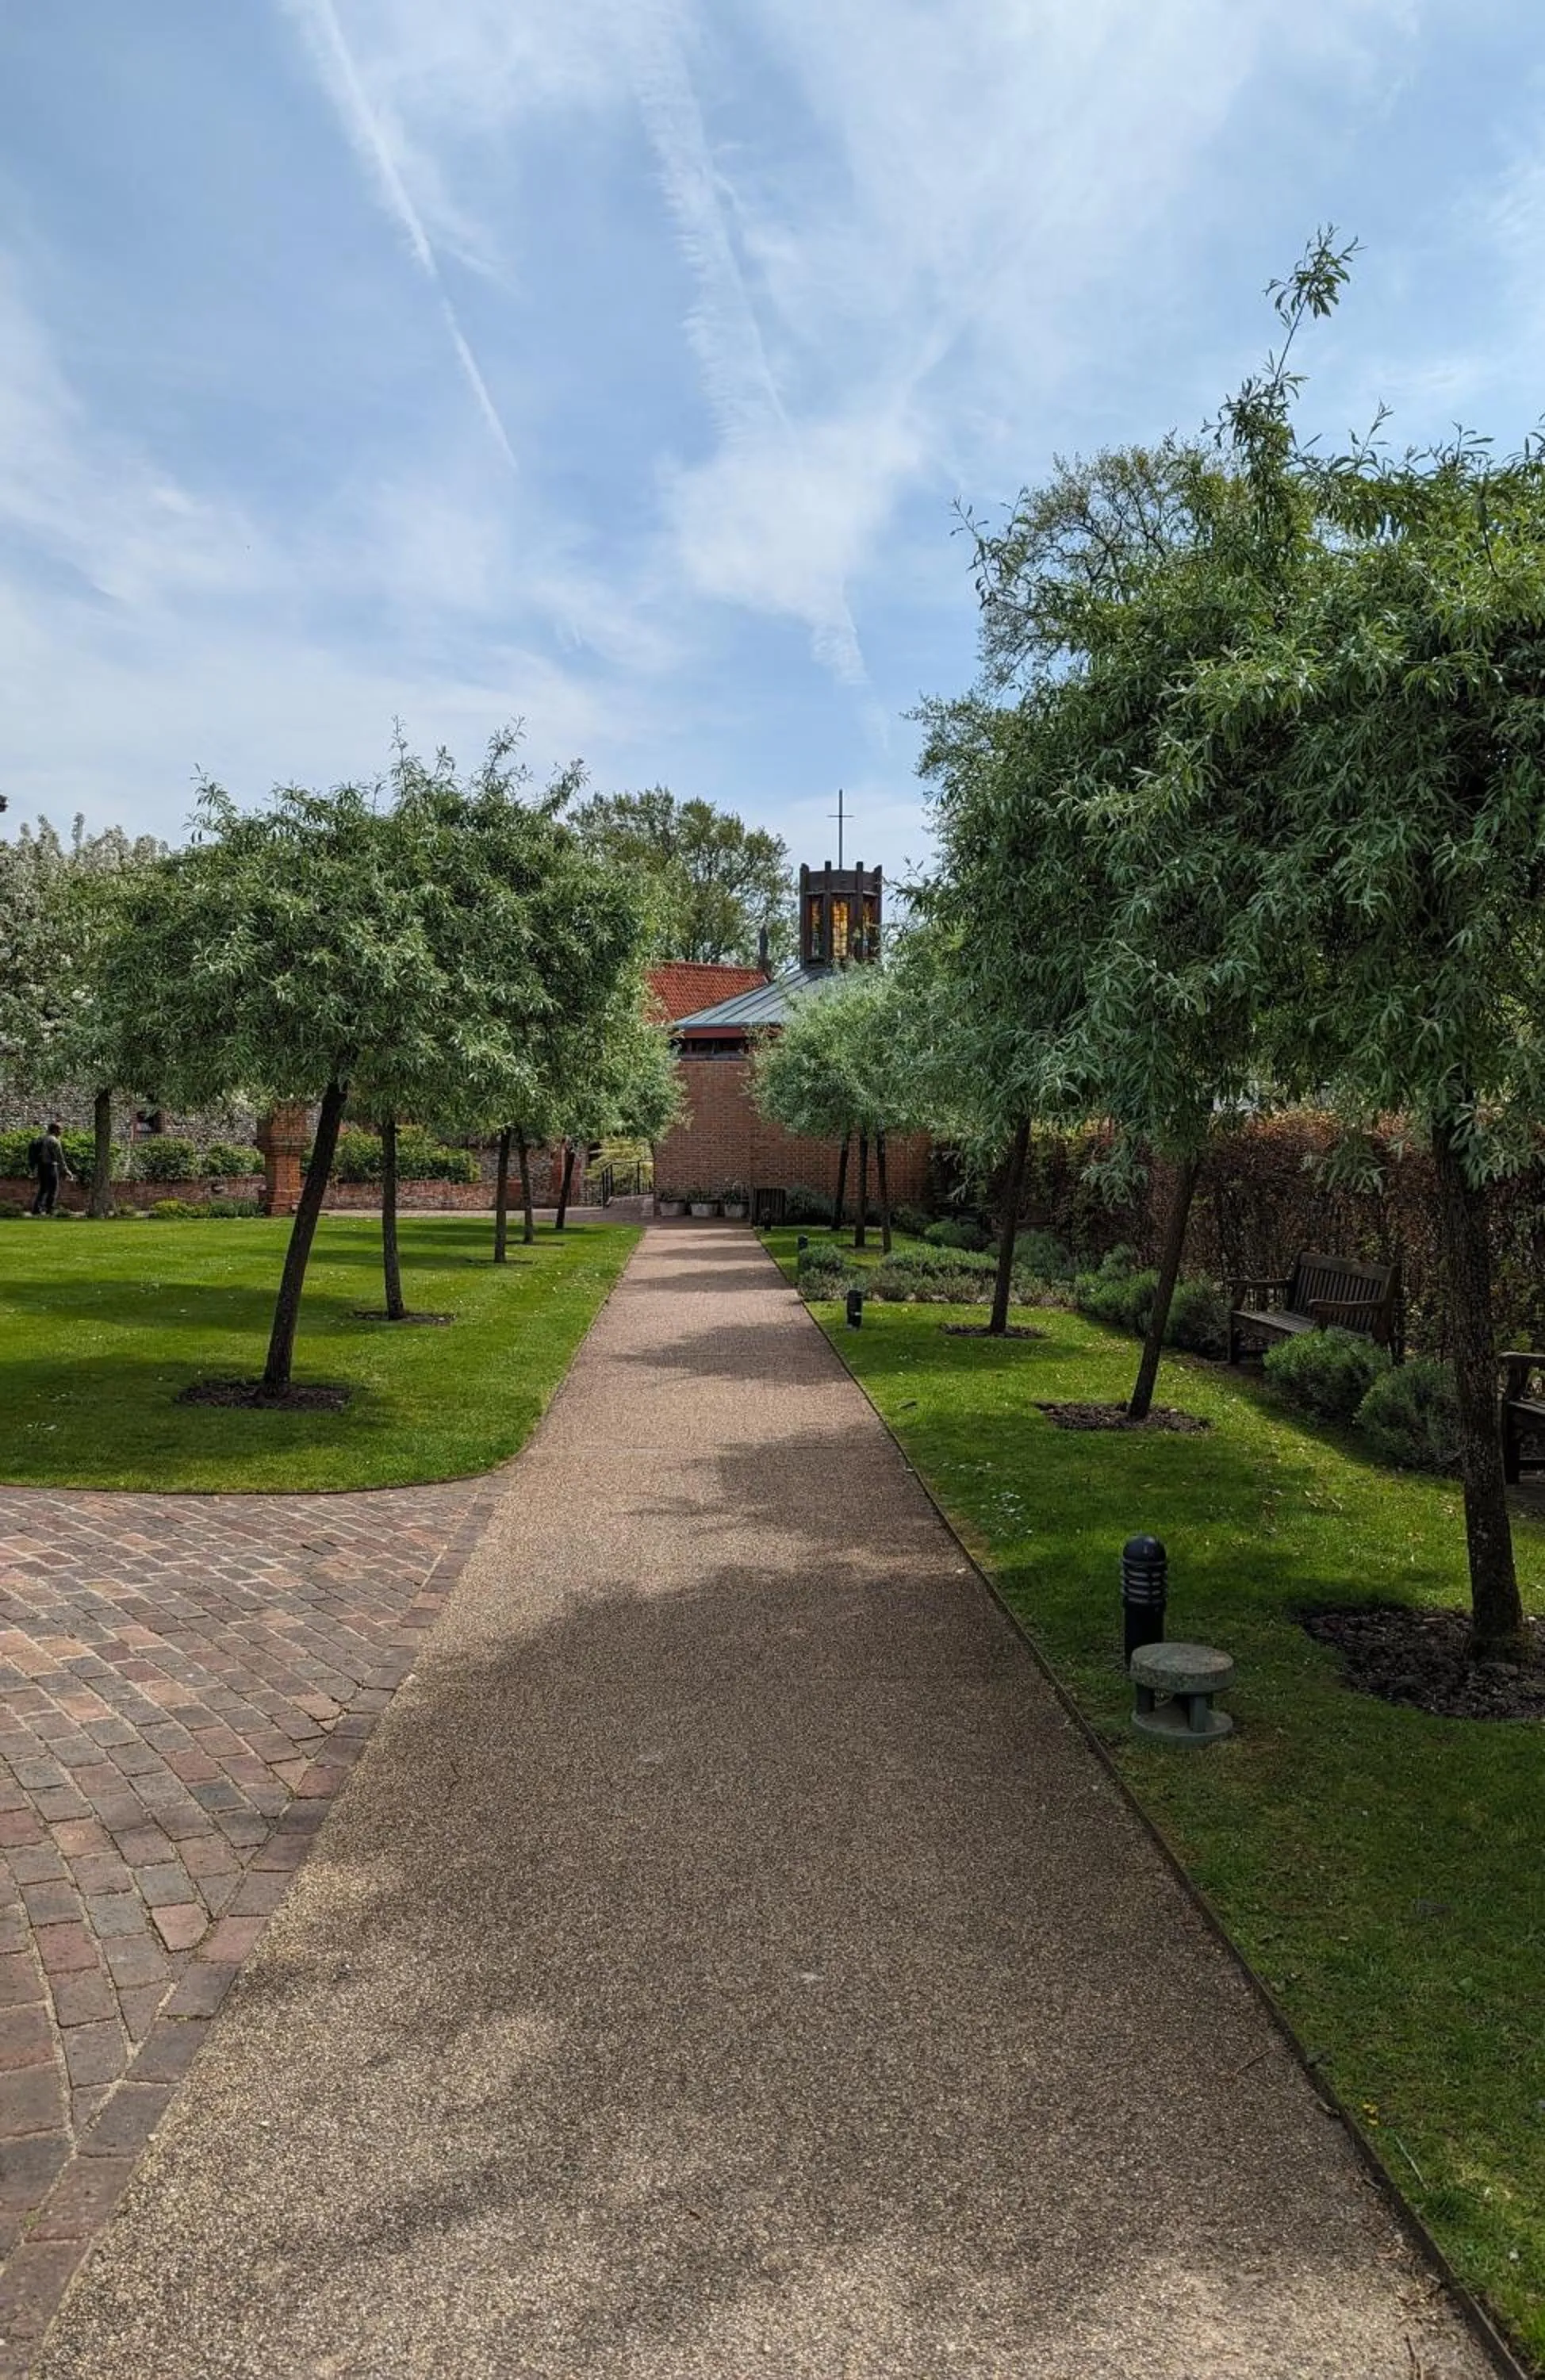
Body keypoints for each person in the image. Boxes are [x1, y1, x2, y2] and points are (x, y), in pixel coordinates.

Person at [31, 1119, 75, 1216]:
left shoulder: (42, 1138)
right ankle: (50, 1209)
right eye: (60, 1129)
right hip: (51, 1166)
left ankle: (36, 1209)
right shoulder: (54, 1141)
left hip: (41, 1166)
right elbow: (60, 1157)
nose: (62, 1131)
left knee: (43, 1188)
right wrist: (66, 1170)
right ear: (55, 1130)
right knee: (53, 1188)